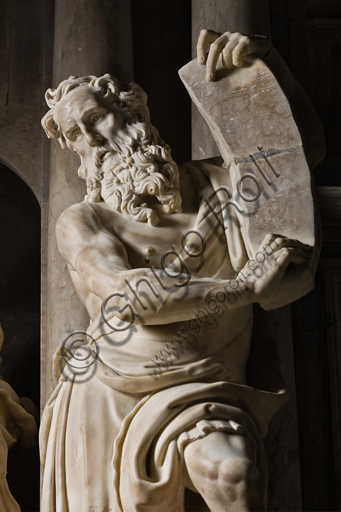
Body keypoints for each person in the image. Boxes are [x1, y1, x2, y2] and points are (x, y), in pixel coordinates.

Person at [40, 31, 322, 512]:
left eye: (96, 119)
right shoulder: (84, 221)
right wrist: (242, 287)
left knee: (234, 471)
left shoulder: (220, 185)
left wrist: (264, 66)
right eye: (73, 134)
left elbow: (300, 156)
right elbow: (126, 297)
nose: (89, 140)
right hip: (108, 388)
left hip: (206, 381)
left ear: (131, 115)